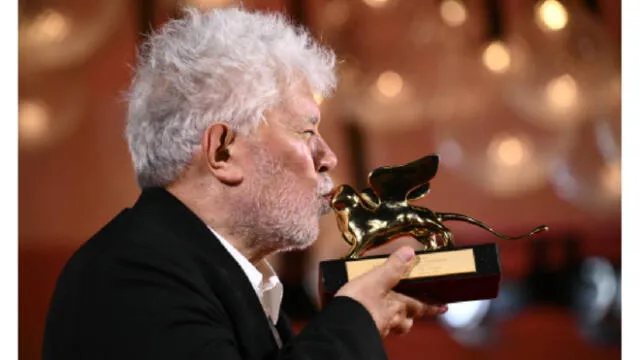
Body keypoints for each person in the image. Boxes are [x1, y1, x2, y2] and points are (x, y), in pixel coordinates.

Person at [42, 6, 448, 360]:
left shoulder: (208, 274)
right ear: (222, 151)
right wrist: (357, 319)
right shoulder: (130, 275)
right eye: (307, 132)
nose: (328, 157)